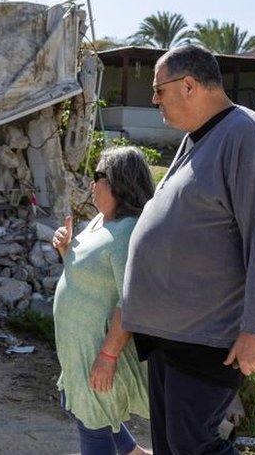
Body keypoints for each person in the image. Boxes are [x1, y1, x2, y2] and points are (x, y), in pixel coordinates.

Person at [121, 45, 255, 454]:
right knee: (171, 446)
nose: (155, 100)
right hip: (172, 337)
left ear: (189, 85)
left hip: (207, 337)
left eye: (159, 90)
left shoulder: (247, 135)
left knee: (192, 445)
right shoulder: (197, 138)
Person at [52, 146, 154, 455]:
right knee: (84, 408)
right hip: (79, 348)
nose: (91, 182)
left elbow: (132, 300)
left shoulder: (127, 232)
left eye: (98, 175)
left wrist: (108, 357)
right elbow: (88, 272)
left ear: (118, 182)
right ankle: (133, 453)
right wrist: (66, 248)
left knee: (93, 424)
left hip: (99, 349)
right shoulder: (101, 220)